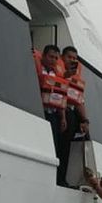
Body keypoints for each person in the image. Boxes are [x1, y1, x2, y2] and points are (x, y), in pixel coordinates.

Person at [58, 46, 90, 187]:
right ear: (62, 57)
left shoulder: (75, 79)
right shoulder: (58, 73)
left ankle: (83, 177)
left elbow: (79, 101)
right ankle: (60, 178)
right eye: (69, 57)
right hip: (60, 112)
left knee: (82, 142)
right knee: (62, 147)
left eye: (74, 58)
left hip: (72, 113)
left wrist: (85, 120)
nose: (72, 60)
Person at [36, 45, 68, 185]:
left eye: (56, 58)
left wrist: (63, 117)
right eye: (51, 56)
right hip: (39, 111)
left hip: (53, 114)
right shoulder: (36, 68)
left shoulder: (57, 75)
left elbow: (60, 97)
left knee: (53, 144)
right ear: (43, 56)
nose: (53, 60)